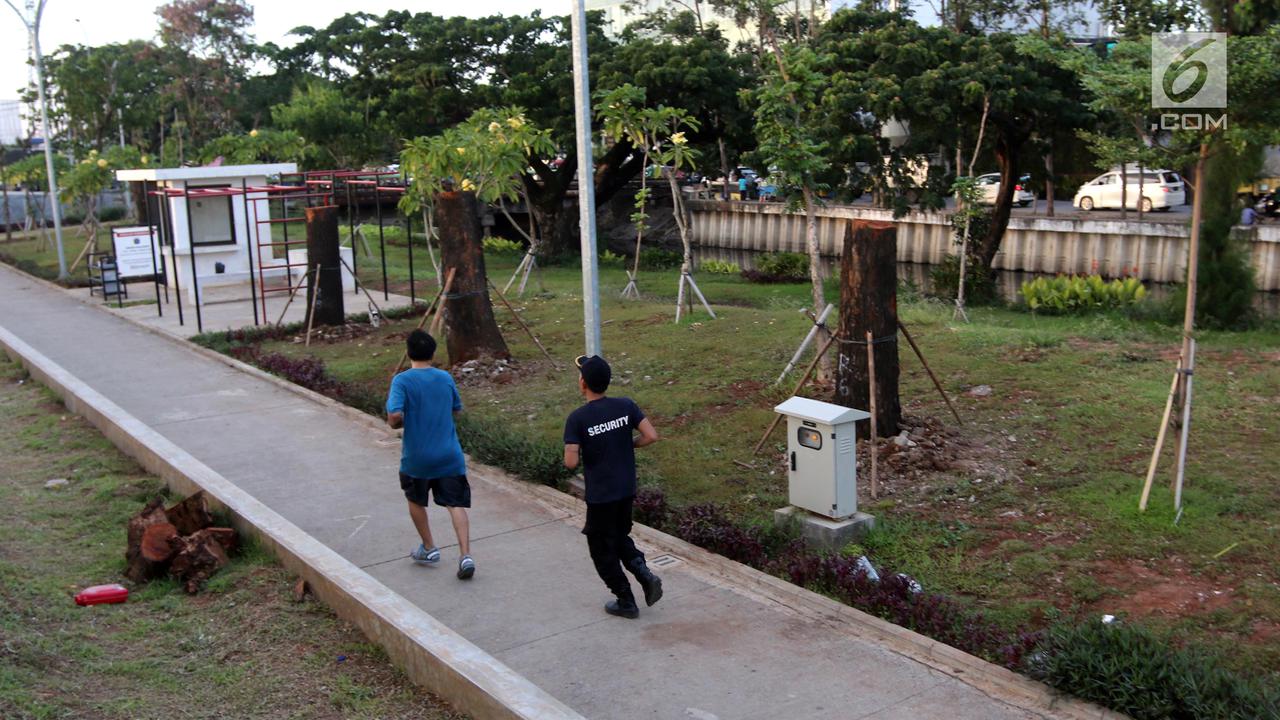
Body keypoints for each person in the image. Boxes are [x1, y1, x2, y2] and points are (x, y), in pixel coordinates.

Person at [563, 355, 662, 619]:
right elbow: (651, 435)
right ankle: (643, 572)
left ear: (583, 383)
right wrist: (627, 444)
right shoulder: (626, 406)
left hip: (601, 496)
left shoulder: (578, 418)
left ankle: (625, 600)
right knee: (617, 536)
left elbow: (570, 462)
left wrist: (579, 449)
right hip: (626, 490)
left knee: (600, 549)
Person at [386, 330, 475, 580]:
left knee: (415, 499)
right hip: (449, 455)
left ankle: (428, 547)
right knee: (455, 504)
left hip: (417, 457)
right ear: (433, 353)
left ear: (408, 352)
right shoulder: (445, 377)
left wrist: (397, 424)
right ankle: (466, 555)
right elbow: (457, 409)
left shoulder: (401, 381)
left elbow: (394, 415)